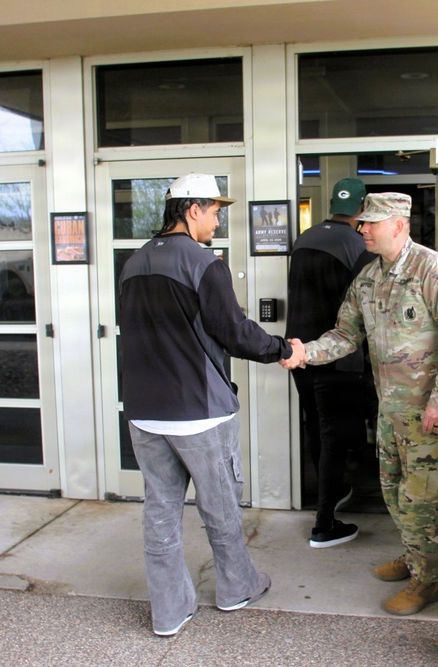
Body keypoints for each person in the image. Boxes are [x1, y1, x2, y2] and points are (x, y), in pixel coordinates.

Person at [118, 172, 301, 637]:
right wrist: (283, 349)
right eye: (216, 211)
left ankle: (169, 611)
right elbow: (233, 331)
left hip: (143, 409)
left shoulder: (134, 263)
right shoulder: (202, 262)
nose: (219, 221)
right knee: (220, 506)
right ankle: (237, 587)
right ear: (192, 209)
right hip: (199, 410)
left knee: (160, 509)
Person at [282, 192, 438, 616]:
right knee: (393, 492)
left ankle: (428, 583)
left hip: (428, 414)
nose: (362, 228)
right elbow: (345, 335)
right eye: (363, 221)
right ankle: (413, 555)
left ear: (399, 225)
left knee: (423, 499)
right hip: (388, 411)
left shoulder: (435, 270)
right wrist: (305, 353)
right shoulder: (368, 278)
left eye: (371, 222)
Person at [286, 177, 376, 549]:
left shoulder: (303, 238)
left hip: (299, 352)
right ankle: (326, 521)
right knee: (336, 434)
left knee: (316, 425)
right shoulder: (359, 245)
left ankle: (331, 490)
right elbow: (365, 307)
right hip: (337, 356)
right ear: (361, 209)